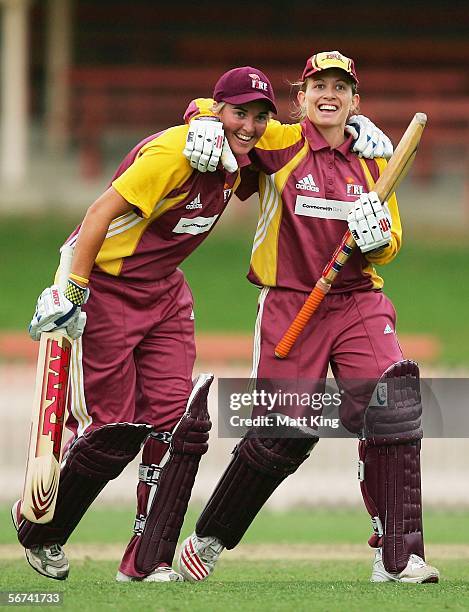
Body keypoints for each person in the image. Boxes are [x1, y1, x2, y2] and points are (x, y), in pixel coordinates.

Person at [178, 51, 440, 584]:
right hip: (290, 301)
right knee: (282, 428)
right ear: (300, 98)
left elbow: (391, 242)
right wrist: (201, 117)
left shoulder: (374, 159)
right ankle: (210, 537)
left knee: (392, 407)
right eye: (318, 84)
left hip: (358, 300)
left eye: (341, 88)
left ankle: (398, 555)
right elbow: (232, 116)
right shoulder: (277, 140)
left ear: (354, 101)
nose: (329, 94)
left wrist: (379, 239)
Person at [11, 65, 279, 583]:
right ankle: (40, 526)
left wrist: (353, 134)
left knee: (174, 424)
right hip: (106, 286)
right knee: (112, 431)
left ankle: (147, 557)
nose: (248, 126)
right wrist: (70, 290)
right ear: (220, 109)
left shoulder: (238, 157)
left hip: (165, 293)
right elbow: (98, 214)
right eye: (237, 113)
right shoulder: (174, 154)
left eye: (259, 116)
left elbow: (296, 138)